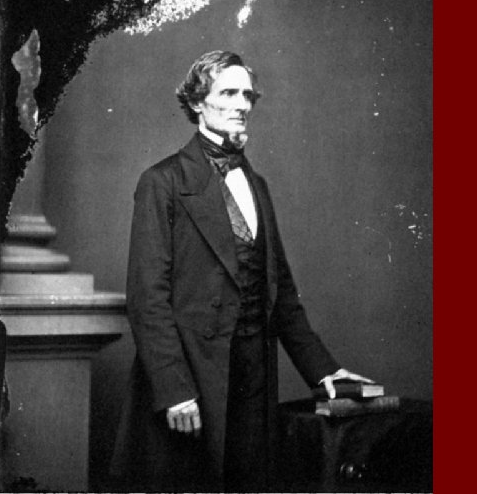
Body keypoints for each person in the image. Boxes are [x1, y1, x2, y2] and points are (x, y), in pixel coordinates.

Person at [110, 50, 372, 492]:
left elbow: (280, 293)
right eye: (228, 93)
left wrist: (325, 371)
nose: (242, 104)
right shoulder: (163, 182)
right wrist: (174, 389)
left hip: (253, 381)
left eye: (247, 95)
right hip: (192, 382)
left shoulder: (257, 185)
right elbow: (147, 298)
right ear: (198, 102)